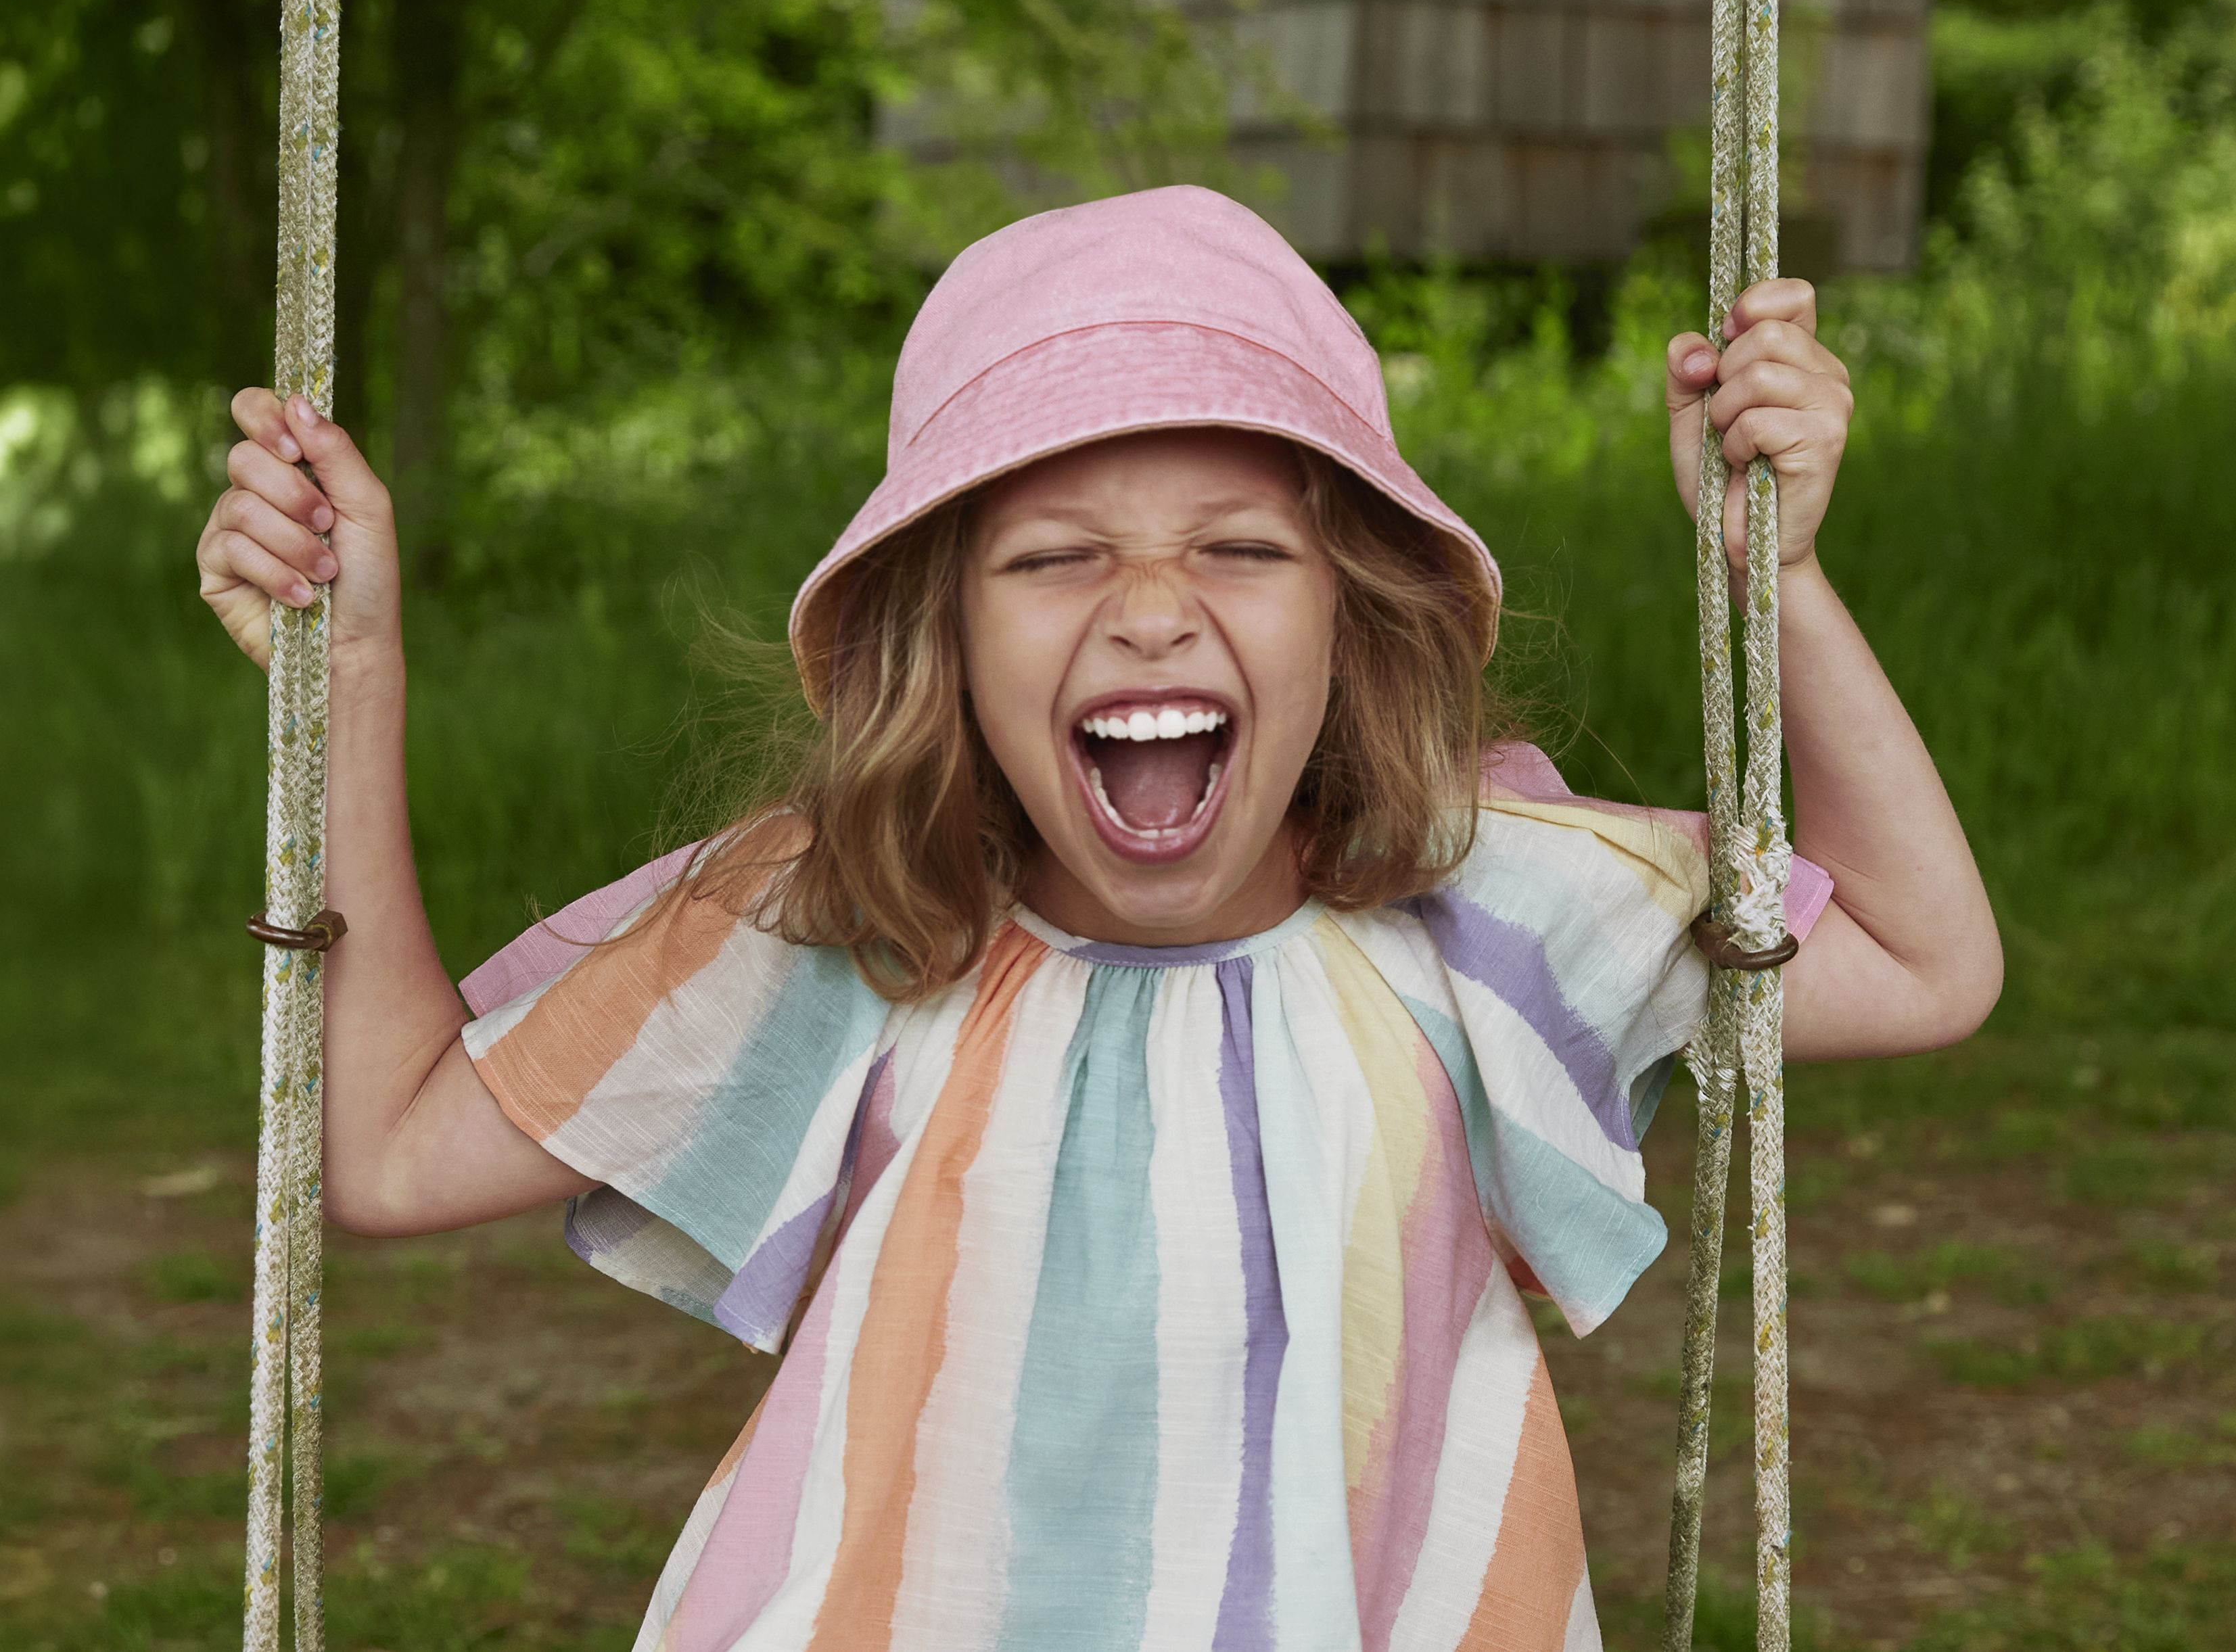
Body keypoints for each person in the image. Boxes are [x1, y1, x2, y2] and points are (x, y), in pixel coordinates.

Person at [195, 186, 2000, 1651]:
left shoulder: (1487, 906)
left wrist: (1781, 582)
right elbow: (397, 1146)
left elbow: (1922, 963)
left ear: (1350, 615)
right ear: (946, 639)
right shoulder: (848, 923)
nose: (1148, 609)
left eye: (1238, 545)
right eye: (1053, 554)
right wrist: (348, 678)